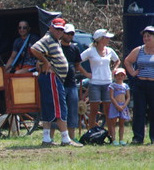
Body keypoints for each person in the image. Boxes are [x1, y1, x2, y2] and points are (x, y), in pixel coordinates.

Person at [30, 17, 83, 147]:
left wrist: (43, 61)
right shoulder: (48, 39)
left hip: (54, 77)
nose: (59, 31)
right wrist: (46, 62)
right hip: (52, 77)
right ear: (51, 27)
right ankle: (65, 139)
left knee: (49, 107)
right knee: (60, 107)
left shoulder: (55, 40)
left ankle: (47, 138)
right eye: (57, 28)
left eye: (61, 29)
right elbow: (34, 48)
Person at [50, 24, 89, 140]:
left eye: (72, 34)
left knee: (72, 111)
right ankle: (51, 137)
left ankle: (71, 138)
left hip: (71, 84)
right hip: (58, 82)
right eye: (67, 33)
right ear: (63, 34)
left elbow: (77, 65)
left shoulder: (74, 48)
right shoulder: (56, 47)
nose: (69, 36)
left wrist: (87, 74)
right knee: (56, 111)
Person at [80, 28, 120, 130]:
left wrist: (114, 70)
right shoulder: (90, 51)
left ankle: (111, 134)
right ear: (100, 39)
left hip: (107, 82)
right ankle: (91, 132)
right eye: (106, 38)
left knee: (108, 109)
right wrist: (86, 73)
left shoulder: (110, 50)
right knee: (94, 109)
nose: (108, 40)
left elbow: (117, 60)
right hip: (95, 83)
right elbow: (77, 61)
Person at [123, 25, 154, 145]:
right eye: (145, 36)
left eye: (149, 36)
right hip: (140, 84)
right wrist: (132, 72)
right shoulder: (139, 50)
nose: (146, 38)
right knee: (139, 112)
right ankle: (138, 137)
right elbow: (127, 61)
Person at [108, 68, 131, 146]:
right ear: (115, 76)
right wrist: (117, 105)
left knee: (122, 123)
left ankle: (121, 139)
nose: (120, 77)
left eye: (122, 75)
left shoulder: (126, 86)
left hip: (123, 106)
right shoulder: (112, 86)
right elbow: (111, 97)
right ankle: (113, 139)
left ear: (124, 77)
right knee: (113, 123)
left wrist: (124, 105)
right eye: (118, 75)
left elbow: (128, 97)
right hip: (115, 106)